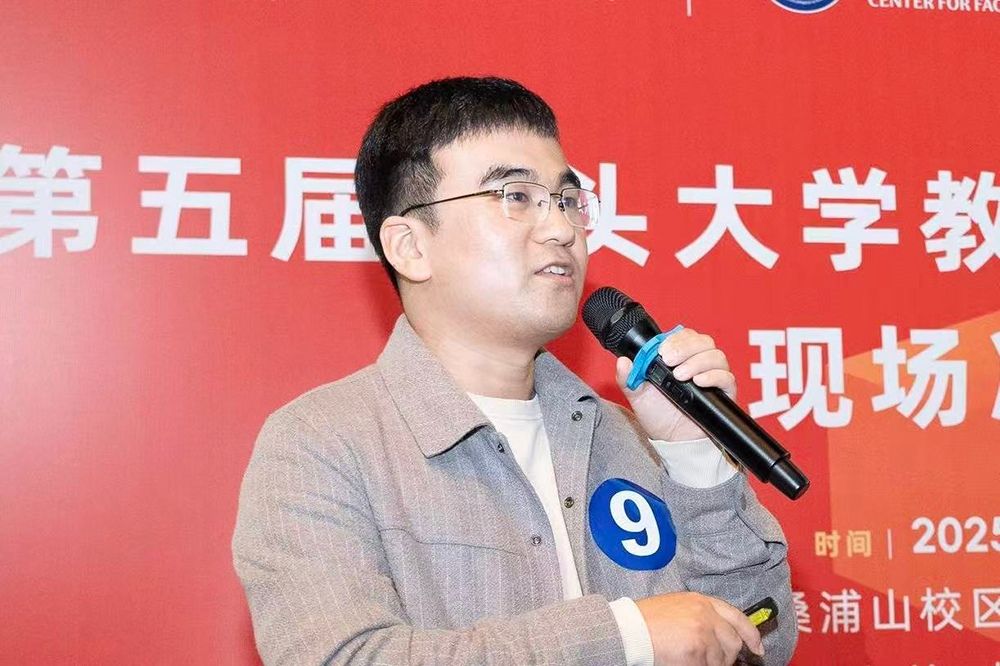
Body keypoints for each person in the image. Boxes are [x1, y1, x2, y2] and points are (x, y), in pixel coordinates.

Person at [232, 76, 797, 665]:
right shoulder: (321, 443)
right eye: (516, 197)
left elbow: (763, 641)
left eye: (567, 199)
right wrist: (624, 636)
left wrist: (694, 460)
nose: (561, 229)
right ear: (410, 247)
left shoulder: (628, 439)